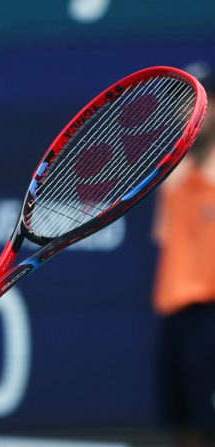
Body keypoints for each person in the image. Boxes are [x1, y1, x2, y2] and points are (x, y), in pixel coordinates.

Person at [152, 67, 215, 446]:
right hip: (176, 317)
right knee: (181, 427)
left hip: (212, 316)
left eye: (202, 104)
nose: (190, 113)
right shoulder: (173, 179)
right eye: (184, 105)